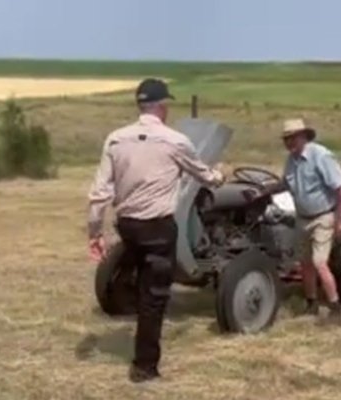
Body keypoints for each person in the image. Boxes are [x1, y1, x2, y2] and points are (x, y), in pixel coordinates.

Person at [87, 78, 226, 383]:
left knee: (141, 278)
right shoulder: (175, 141)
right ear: (162, 107)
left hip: (128, 226)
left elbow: (99, 194)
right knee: (154, 296)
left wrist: (94, 233)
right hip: (158, 228)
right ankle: (144, 367)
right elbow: (202, 174)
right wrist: (219, 177)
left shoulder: (115, 139)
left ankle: (132, 304)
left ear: (140, 105)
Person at [280, 118, 341, 326]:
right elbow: (286, 183)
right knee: (305, 263)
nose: (290, 142)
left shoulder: (320, 156)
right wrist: (263, 191)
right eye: (286, 139)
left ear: (303, 137)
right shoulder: (291, 161)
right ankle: (311, 303)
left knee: (320, 263)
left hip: (323, 216)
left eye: (293, 137)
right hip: (302, 218)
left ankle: (336, 308)